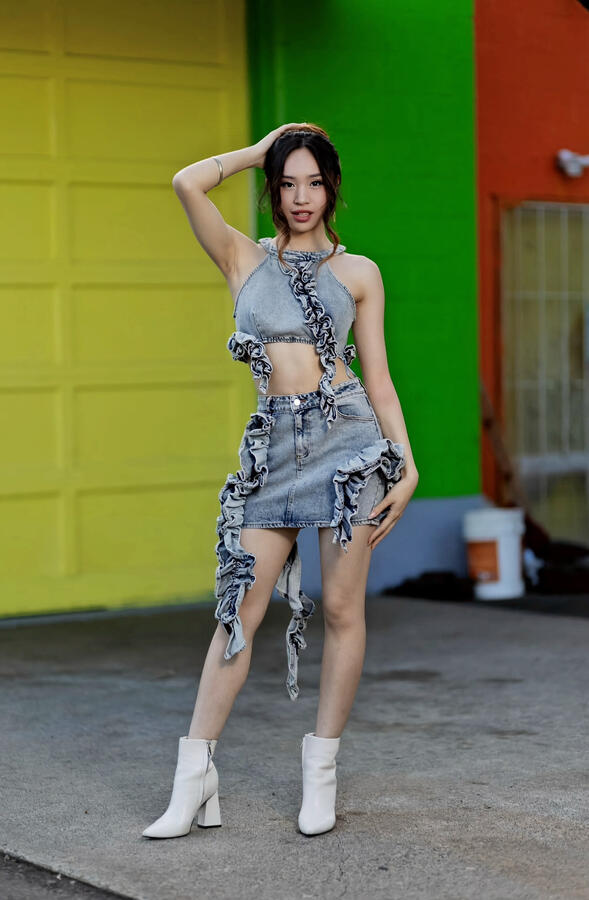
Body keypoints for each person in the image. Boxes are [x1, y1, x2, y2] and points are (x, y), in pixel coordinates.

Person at [142, 122, 419, 840]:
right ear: (272, 187)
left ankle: (320, 773)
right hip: (273, 452)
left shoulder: (359, 272)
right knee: (237, 611)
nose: (301, 197)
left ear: (332, 189)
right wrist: (259, 149)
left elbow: (379, 379)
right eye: (287, 182)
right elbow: (186, 183)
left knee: (342, 611)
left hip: (350, 447)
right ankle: (194, 778)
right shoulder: (242, 257)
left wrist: (406, 460)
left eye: (314, 183)